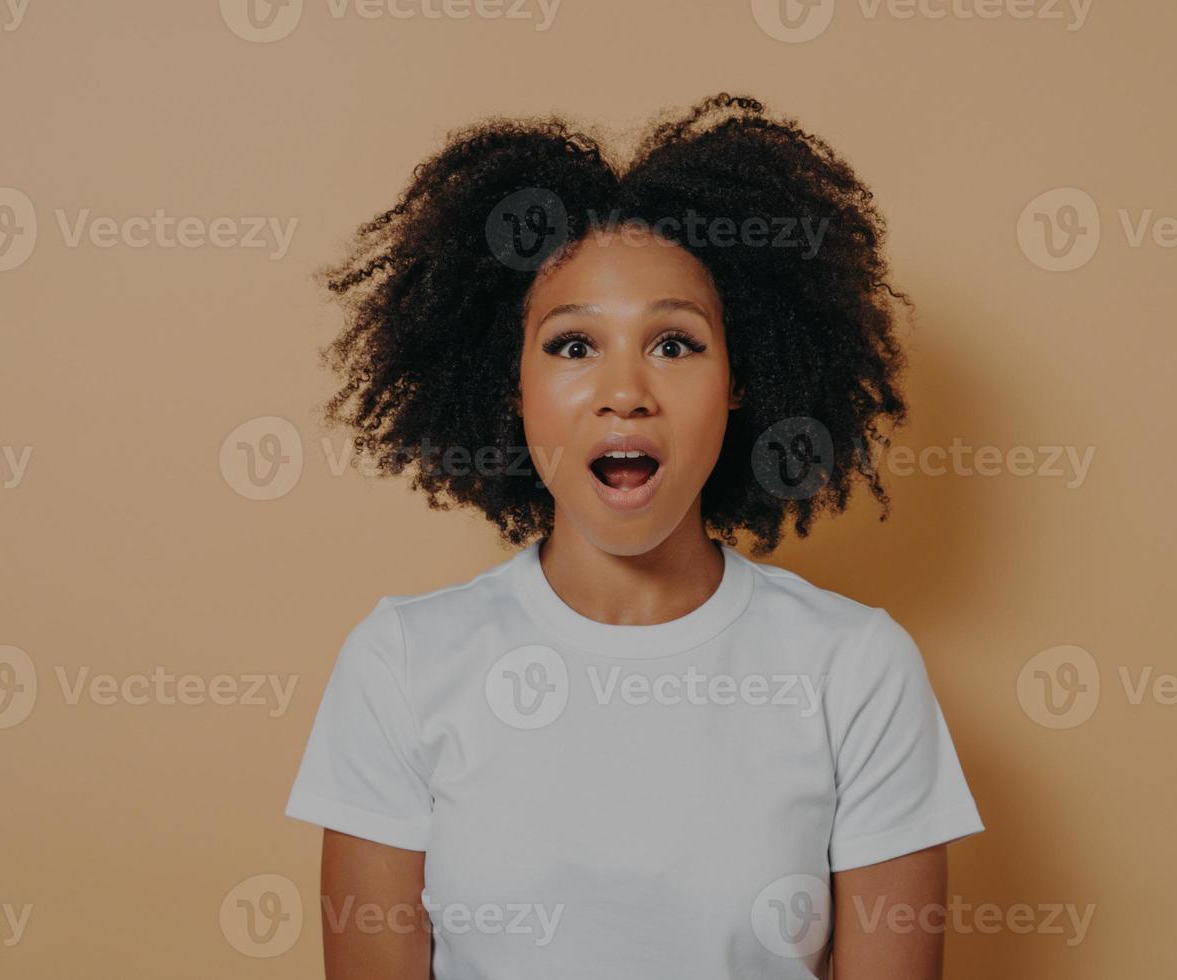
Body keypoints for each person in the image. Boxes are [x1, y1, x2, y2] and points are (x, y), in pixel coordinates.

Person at [286, 92, 984, 979]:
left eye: (676, 344)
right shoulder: (401, 666)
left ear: (743, 378)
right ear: (512, 384)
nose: (626, 391)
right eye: (573, 346)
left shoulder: (856, 670)